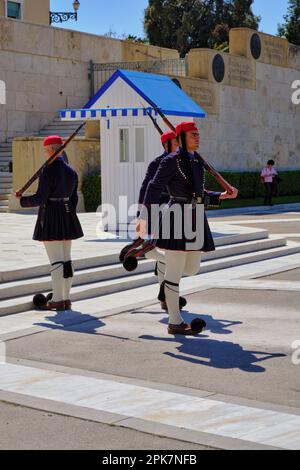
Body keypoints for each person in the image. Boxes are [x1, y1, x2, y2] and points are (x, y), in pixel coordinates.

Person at [137, 121, 238, 336]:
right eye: (193, 134)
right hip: (176, 215)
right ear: (182, 137)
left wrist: (221, 195)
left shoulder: (196, 161)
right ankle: (175, 322)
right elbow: (153, 187)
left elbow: (198, 194)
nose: (198, 137)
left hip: (195, 216)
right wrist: (144, 217)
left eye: (198, 134)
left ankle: (157, 256)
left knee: (191, 269)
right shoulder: (170, 161)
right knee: (174, 273)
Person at [15, 136, 84, 311]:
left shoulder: (48, 171)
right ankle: (66, 298)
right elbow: (74, 199)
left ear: (52, 150)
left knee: (56, 261)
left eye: (45, 150)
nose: (44, 153)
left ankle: (58, 299)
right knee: (66, 260)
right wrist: (67, 211)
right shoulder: (71, 171)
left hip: (52, 216)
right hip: (67, 215)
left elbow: (40, 198)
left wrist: (22, 201)